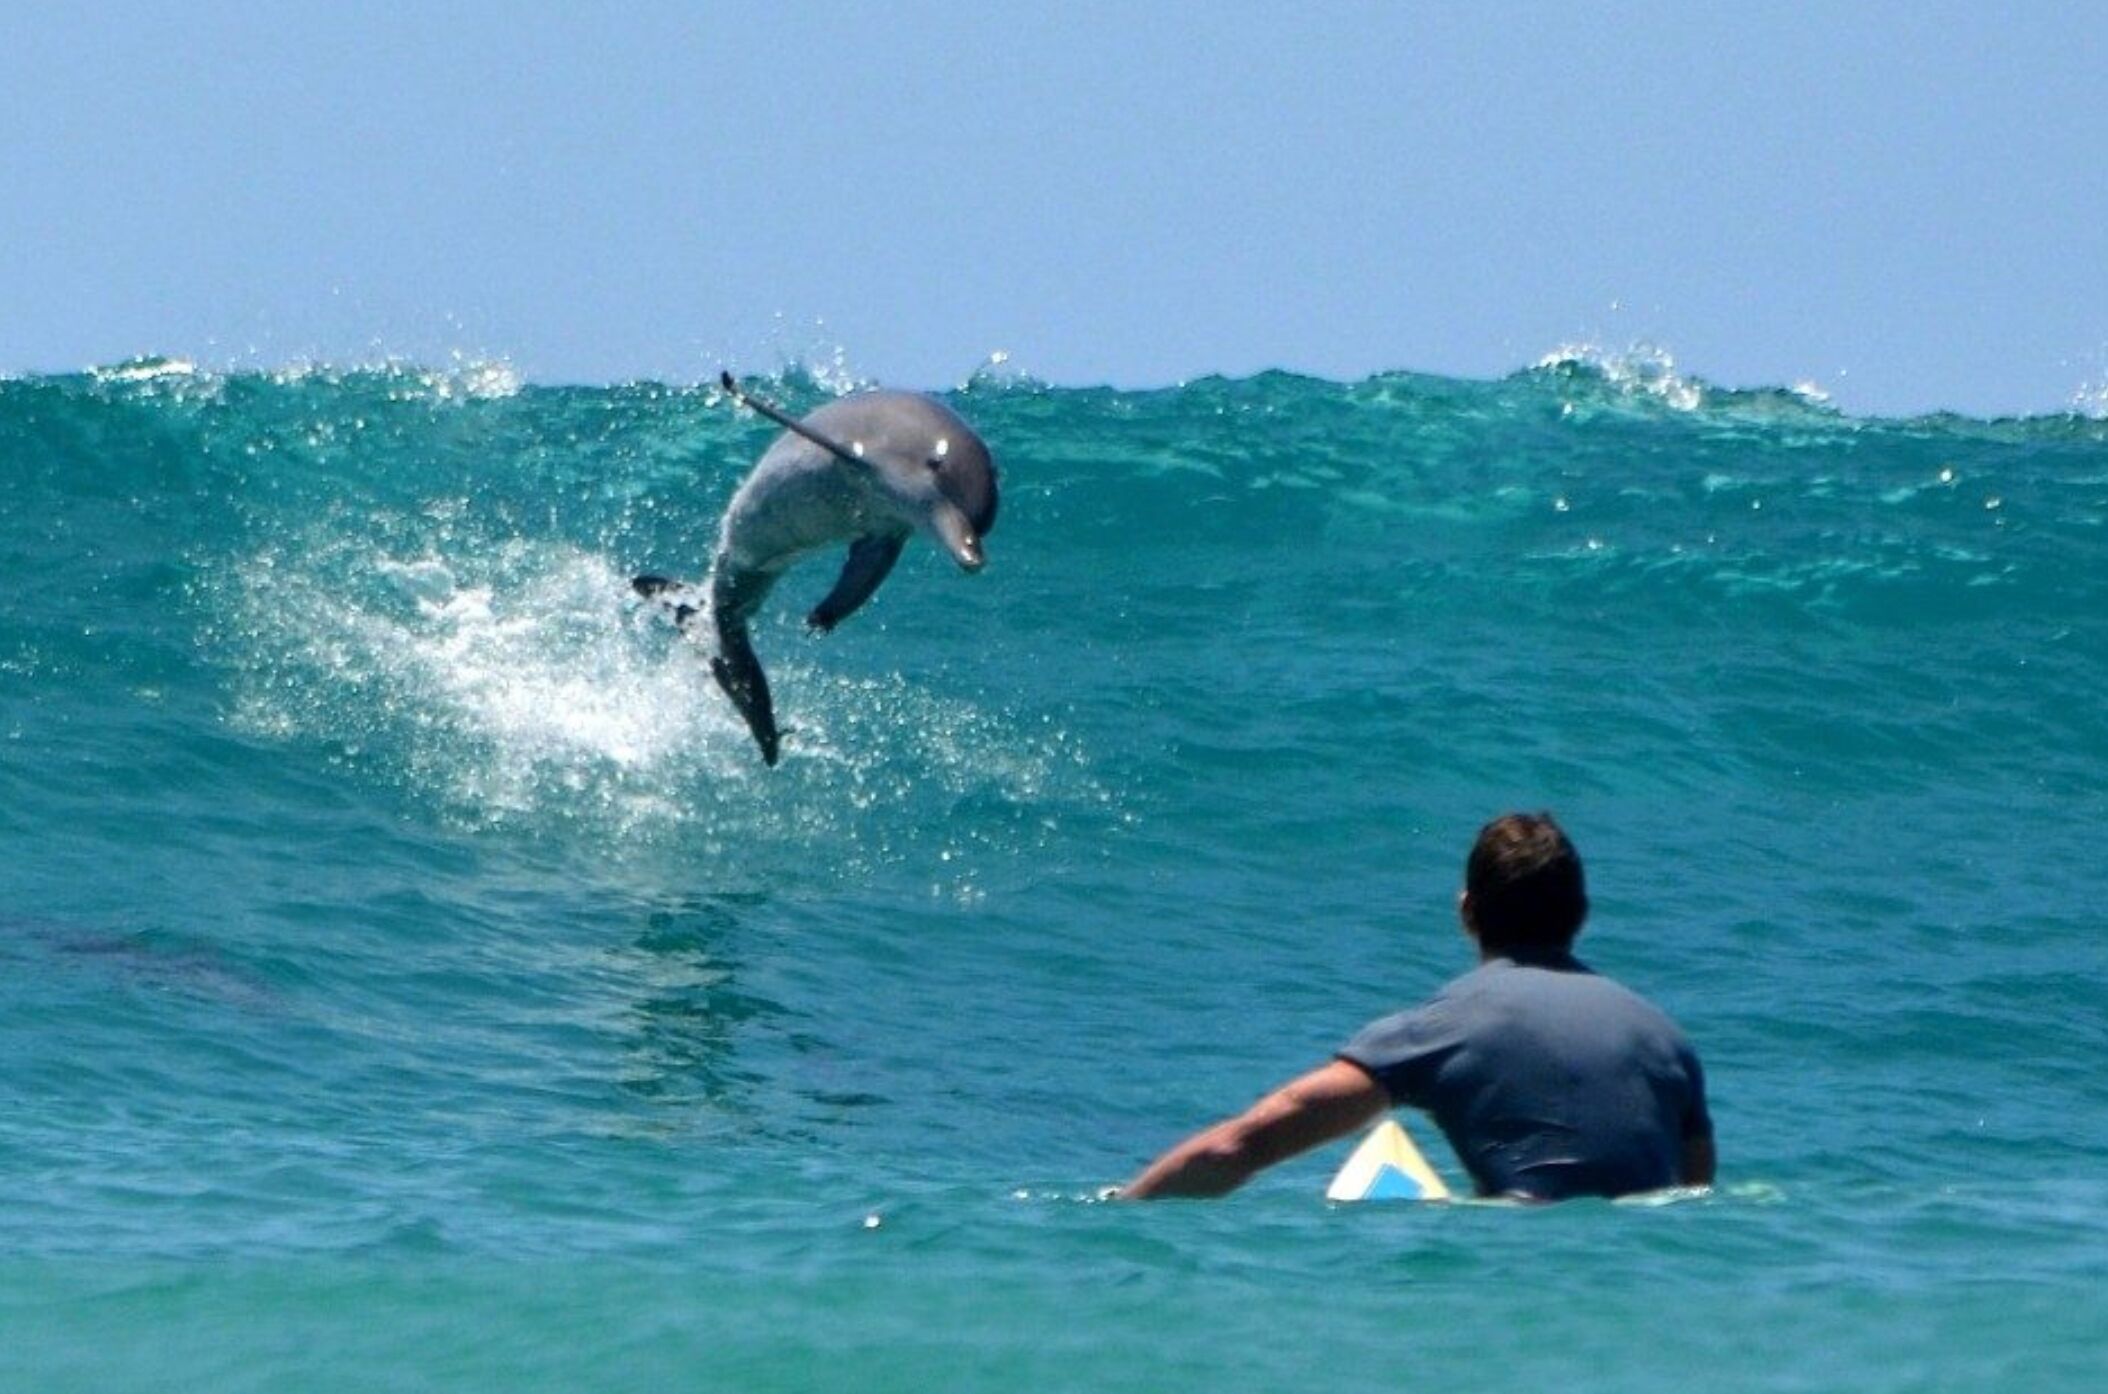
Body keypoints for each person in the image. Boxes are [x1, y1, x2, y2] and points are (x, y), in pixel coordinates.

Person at [1122, 812, 1714, 1201]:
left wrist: (1120, 1213)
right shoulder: (1667, 1041)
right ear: (1581, 916)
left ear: (1466, 912)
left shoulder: (1445, 1030)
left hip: (1525, 1274)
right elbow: (1694, 1199)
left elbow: (1238, 1147)